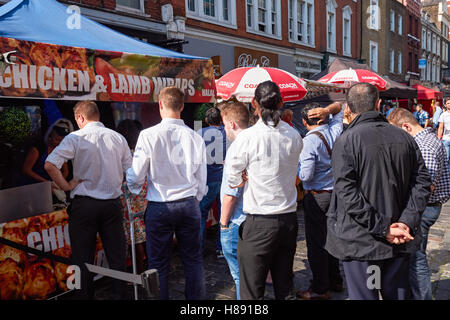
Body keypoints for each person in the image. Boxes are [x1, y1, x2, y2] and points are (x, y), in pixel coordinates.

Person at [325, 83, 431, 300]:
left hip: (367, 243)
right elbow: (421, 184)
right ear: (378, 104)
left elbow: (347, 195)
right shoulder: (405, 137)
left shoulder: (346, 141)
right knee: (395, 294)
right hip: (391, 239)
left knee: (368, 295)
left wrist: (395, 226)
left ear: (348, 108)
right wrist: (402, 223)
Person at [45, 101, 132, 299]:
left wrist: (66, 186)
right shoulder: (117, 137)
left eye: (77, 120)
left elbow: (50, 165)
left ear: (81, 118)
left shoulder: (75, 137)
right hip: (112, 204)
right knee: (117, 258)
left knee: (81, 259)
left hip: (84, 205)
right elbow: (130, 170)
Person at [126, 86, 207, 300]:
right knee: (193, 259)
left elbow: (136, 175)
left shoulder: (148, 135)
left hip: (160, 204)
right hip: (188, 203)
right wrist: (195, 199)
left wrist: (134, 188)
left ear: (160, 105)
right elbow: (201, 177)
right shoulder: (194, 137)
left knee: (158, 264)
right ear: (181, 106)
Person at [226, 81, 303, 300]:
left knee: (252, 291)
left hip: (259, 222)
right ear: (281, 102)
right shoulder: (295, 135)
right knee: (284, 286)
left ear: (254, 104)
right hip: (287, 220)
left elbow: (232, 178)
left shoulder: (247, 138)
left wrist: (244, 179)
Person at [387, 108, 450, 300]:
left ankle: (422, 296)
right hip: (427, 207)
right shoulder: (425, 140)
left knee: (417, 259)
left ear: (406, 126)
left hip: (426, 208)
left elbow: (425, 188)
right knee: (413, 257)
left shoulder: (425, 146)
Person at [296, 101, 344, 300]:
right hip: (336, 194)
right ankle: (335, 280)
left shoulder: (309, 141)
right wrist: (328, 111)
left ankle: (319, 288)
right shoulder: (335, 130)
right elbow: (340, 108)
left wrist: (295, 168)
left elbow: (305, 176)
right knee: (332, 239)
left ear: (305, 122)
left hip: (317, 196)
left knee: (317, 244)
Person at [219, 102, 250, 300]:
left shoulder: (236, 147)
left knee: (239, 276)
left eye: (224, 125)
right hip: (253, 217)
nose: (224, 129)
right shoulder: (255, 142)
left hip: (236, 220)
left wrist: (223, 224)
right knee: (250, 275)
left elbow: (231, 194)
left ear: (231, 124)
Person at [117, 119, 148, 275]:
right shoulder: (141, 152)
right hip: (144, 195)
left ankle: (139, 274)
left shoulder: (123, 155)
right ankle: (148, 269)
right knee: (143, 233)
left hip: (129, 198)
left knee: (134, 239)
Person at [197, 106, 227, 258]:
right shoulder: (227, 134)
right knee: (224, 214)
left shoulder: (198, 134)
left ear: (206, 120)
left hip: (206, 181)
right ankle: (222, 248)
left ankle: (199, 249)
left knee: (201, 214)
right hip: (224, 180)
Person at [22, 119, 73, 196]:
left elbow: (65, 171)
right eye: (57, 139)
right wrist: (46, 183)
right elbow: (26, 170)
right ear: (51, 134)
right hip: (33, 187)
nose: (58, 142)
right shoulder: (38, 149)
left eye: (62, 141)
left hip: (50, 189)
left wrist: (58, 183)